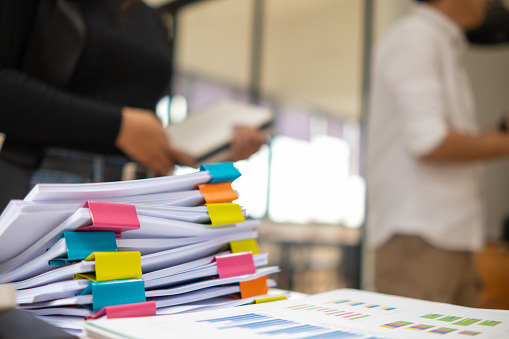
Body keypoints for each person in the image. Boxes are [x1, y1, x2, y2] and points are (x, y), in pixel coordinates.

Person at [0, 0, 266, 211]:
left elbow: (141, 123)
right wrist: (117, 126)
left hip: (143, 198)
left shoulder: (153, 20)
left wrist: (212, 149)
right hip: (52, 189)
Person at [366, 0, 509, 307]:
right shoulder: (414, 37)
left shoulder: (438, 42)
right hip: (421, 236)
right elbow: (429, 141)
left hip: (449, 236)